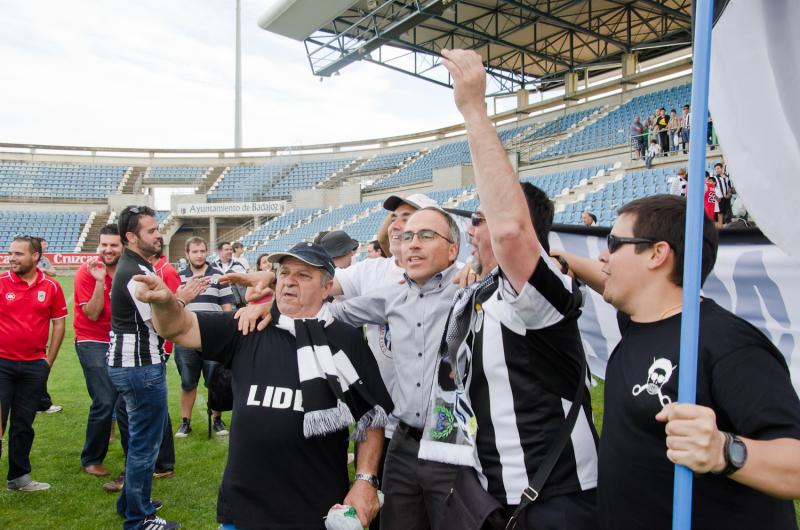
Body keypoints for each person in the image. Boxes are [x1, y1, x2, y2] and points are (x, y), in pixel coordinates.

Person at [559, 194, 800, 529]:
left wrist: (723, 451)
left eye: (614, 243)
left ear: (658, 254)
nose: (603, 255)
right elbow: (603, 279)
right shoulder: (640, 321)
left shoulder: (726, 344)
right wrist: (559, 260)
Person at [435, 47, 598, 528]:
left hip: (555, 499)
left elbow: (510, 233)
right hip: (495, 494)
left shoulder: (542, 293)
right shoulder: (479, 295)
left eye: (478, 219)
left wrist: (472, 109)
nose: (471, 230)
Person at [135, 242, 393, 529]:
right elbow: (178, 327)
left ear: (327, 287)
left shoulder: (347, 340)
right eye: (284, 273)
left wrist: (365, 479)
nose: (290, 281)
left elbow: (371, 418)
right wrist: (164, 302)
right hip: (243, 509)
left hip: (317, 511)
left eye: (304, 275)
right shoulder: (248, 325)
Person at [325, 206, 464, 530]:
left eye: (426, 236)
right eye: (406, 237)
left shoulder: (471, 290)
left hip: (452, 442)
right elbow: (335, 314)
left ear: (453, 249)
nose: (412, 244)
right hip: (401, 443)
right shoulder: (392, 297)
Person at [108, 205, 179, 530]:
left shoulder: (132, 266)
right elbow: (162, 324)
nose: (158, 234)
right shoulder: (136, 273)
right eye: (151, 231)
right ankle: (140, 519)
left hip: (132, 364)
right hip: (140, 366)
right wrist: (184, 301)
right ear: (131, 236)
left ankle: (132, 503)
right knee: (145, 445)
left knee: (141, 440)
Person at [0, 236, 67, 492]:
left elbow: (59, 323)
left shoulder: (50, 286)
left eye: (18, 253)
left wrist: (47, 361)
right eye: (10, 253)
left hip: (33, 367)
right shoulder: (1, 282)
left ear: (35, 256)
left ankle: (18, 478)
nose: (12, 258)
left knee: (23, 424)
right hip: (2, 364)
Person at [74, 224, 123, 478]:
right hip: (91, 339)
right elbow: (92, 314)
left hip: (121, 339)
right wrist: (99, 281)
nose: (108, 249)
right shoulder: (87, 271)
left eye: (113, 245)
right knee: (104, 399)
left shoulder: (127, 270)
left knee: (123, 399)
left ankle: (135, 455)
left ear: (123, 245)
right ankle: (91, 458)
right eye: (104, 244)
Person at [173, 236, 234, 438]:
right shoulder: (178, 277)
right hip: (185, 337)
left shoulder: (219, 275)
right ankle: (185, 422)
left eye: (202, 251)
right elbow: (173, 307)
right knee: (187, 382)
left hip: (213, 337)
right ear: (187, 254)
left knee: (216, 382)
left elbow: (227, 308)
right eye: (194, 251)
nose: (199, 255)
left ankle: (217, 419)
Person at [32, 236, 62, 415]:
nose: (46, 246)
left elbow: (53, 272)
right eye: (43, 244)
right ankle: (41, 403)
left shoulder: (44, 263)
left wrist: (42, 269)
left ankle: (41, 402)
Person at [213, 241, 247, 307]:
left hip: (236, 303)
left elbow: (245, 282)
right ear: (220, 251)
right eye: (226, 250)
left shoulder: (238, 265)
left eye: (230, 249)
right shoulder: (213, 267)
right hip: (218, 303)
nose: (229, 251)